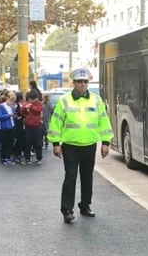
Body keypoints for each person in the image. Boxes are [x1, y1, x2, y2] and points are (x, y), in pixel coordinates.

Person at [48, 68, 114, 223]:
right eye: (79, 82)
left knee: (87, 177)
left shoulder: (96, 100)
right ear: (74, 83)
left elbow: (104, 122)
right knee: (70, 177)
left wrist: (105, 143)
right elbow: (56, 123)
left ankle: (85, 205)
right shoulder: (64, 100)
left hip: (89, 145)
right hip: (70, 146)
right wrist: (56, 144)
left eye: (85, 82)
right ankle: (67, 210)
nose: (83, 84)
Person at [20, 90, 44, 165]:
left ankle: (39, 158)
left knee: (38, 143)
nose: (32, 100)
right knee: (28, 143)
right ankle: (27, 158)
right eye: (30, 99)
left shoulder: (39, 104)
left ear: (36, 98)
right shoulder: (26, 103)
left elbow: (38, 110)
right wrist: (24, 108)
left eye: (33, 99)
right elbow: (21, 113)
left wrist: (31, 107)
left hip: (37, 126)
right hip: (28, 126)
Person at [0, 92, 17, 165]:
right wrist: (9, 115)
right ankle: (3, 158)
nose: (12, 102)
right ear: (8, 98)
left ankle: (8, 157)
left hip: (12, 126)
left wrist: (14, 116)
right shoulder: (1, 106)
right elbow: (0, 117)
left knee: (10, 143)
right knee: (5, 143)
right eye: (11, 100)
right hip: (5, 127)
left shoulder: (11, 107)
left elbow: (13, 114)